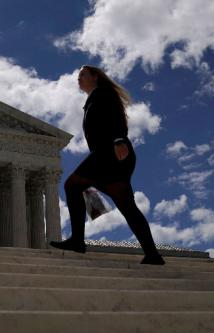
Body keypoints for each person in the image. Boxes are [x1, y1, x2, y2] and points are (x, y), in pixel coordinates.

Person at [49, 65, 165, 265]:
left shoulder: (104, 93)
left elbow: (116, 117)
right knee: (127, 206)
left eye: (83, 74)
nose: (79, 78)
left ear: (95, 77)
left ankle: (77, 240)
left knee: (72, 185)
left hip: (110, 153)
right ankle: (152, 254)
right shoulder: (92, 99)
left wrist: (119, 139)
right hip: (108, 155)